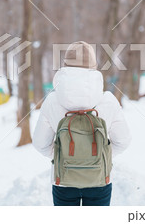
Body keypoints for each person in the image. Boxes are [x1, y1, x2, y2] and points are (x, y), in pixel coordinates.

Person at [33, 41, 131, 206]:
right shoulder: (108, 100)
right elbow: (123, 141)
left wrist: (65, 158)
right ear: (93, 68)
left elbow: (40, 143)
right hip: (99, 179)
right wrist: (99, 158)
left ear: (65, 67)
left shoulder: (52, 101)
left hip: (63, 179)